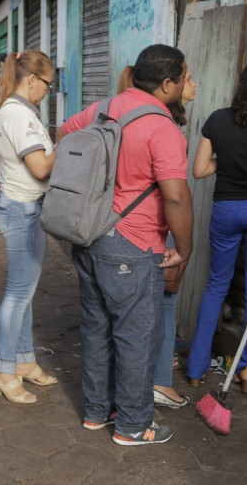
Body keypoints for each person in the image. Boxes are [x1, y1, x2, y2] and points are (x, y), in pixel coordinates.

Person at [59, 44, 193, 446]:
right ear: (167, 84)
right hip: (132, 245)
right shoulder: (162, 128)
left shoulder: (103, 108)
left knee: (96, 328)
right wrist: (183, 250)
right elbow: (175, 197)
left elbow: (65, 136)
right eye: (185, 77)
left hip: (89, 237)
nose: (188, 83)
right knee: (136, 336)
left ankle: (97, 412)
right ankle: (134, 425)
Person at [186, 62, 247, 393]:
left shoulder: (217, 119)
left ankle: (197, 368)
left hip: (226, 211)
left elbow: (199, 169)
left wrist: (225, 162)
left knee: (217, 285)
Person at [0, 50, 57, 404]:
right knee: (18, 294)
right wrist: (65, 145)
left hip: (23, 207)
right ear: (31, 80)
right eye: (47, 83)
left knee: (24, 292)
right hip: (22, 210)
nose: (49, 90)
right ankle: (3, 370)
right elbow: (41, 168)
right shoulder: (18, 113)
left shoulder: (16, 110)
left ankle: (24, 361)